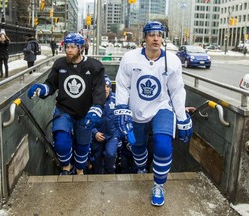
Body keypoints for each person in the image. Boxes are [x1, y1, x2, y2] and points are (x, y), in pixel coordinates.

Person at [114, 21, 193, 206]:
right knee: (138, 147)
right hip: (137, 110)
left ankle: (159, 184)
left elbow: (176, 90)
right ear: (144, 37)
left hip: (161, 107)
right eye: (152, 34)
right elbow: (123, 85)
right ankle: (141, 168)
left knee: (163, 146)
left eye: (159, 34)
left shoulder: (172, 60)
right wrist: (121, 108)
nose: (156, 38)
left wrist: (181, 117)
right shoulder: (130, 58)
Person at [27, 33, 106, 175]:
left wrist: (97, 108)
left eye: (73, 47)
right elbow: (51, 85)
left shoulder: (94, 66)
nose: (69, 50)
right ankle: (66, 167)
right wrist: (42, 89)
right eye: (67, 47)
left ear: (81, 48)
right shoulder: (60, 64)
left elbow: (99, 91)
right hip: (64, 110)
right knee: (61, 142)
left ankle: (80, 169)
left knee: (82, 146)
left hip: (85, 111)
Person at [90, 75, 119, 174]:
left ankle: (110, 173)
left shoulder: (116, 100)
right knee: (96, 162)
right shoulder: (92, 101)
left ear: (110, 88)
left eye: (107, 87)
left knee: (110, 155)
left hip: (112, 135)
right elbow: (87, 120)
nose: (105, 89)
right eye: (103, 86)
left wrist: (118, 134)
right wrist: (95, 133)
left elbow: (121, 117)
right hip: (97, 136)